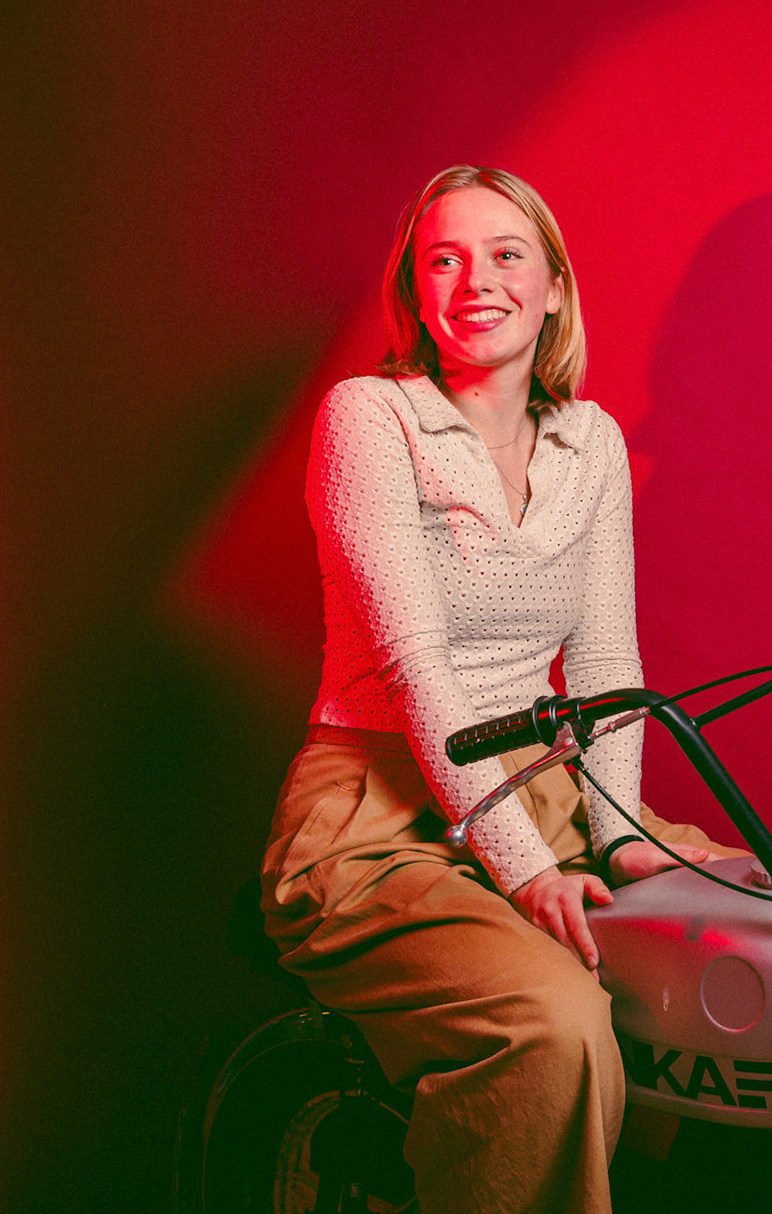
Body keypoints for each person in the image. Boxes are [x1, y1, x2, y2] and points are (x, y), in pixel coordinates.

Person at [258, 165, 739, 1212]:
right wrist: (526, 871)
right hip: (379, 809)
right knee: (555, 1024)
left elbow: (604, 664)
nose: (477, 279)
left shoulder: (590, 441)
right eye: (445, 259)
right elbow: (416, 666)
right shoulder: (370, 417)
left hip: (546, 785)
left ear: (554, 287)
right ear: (417, 293)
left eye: (506, 253)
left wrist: (619, 834)